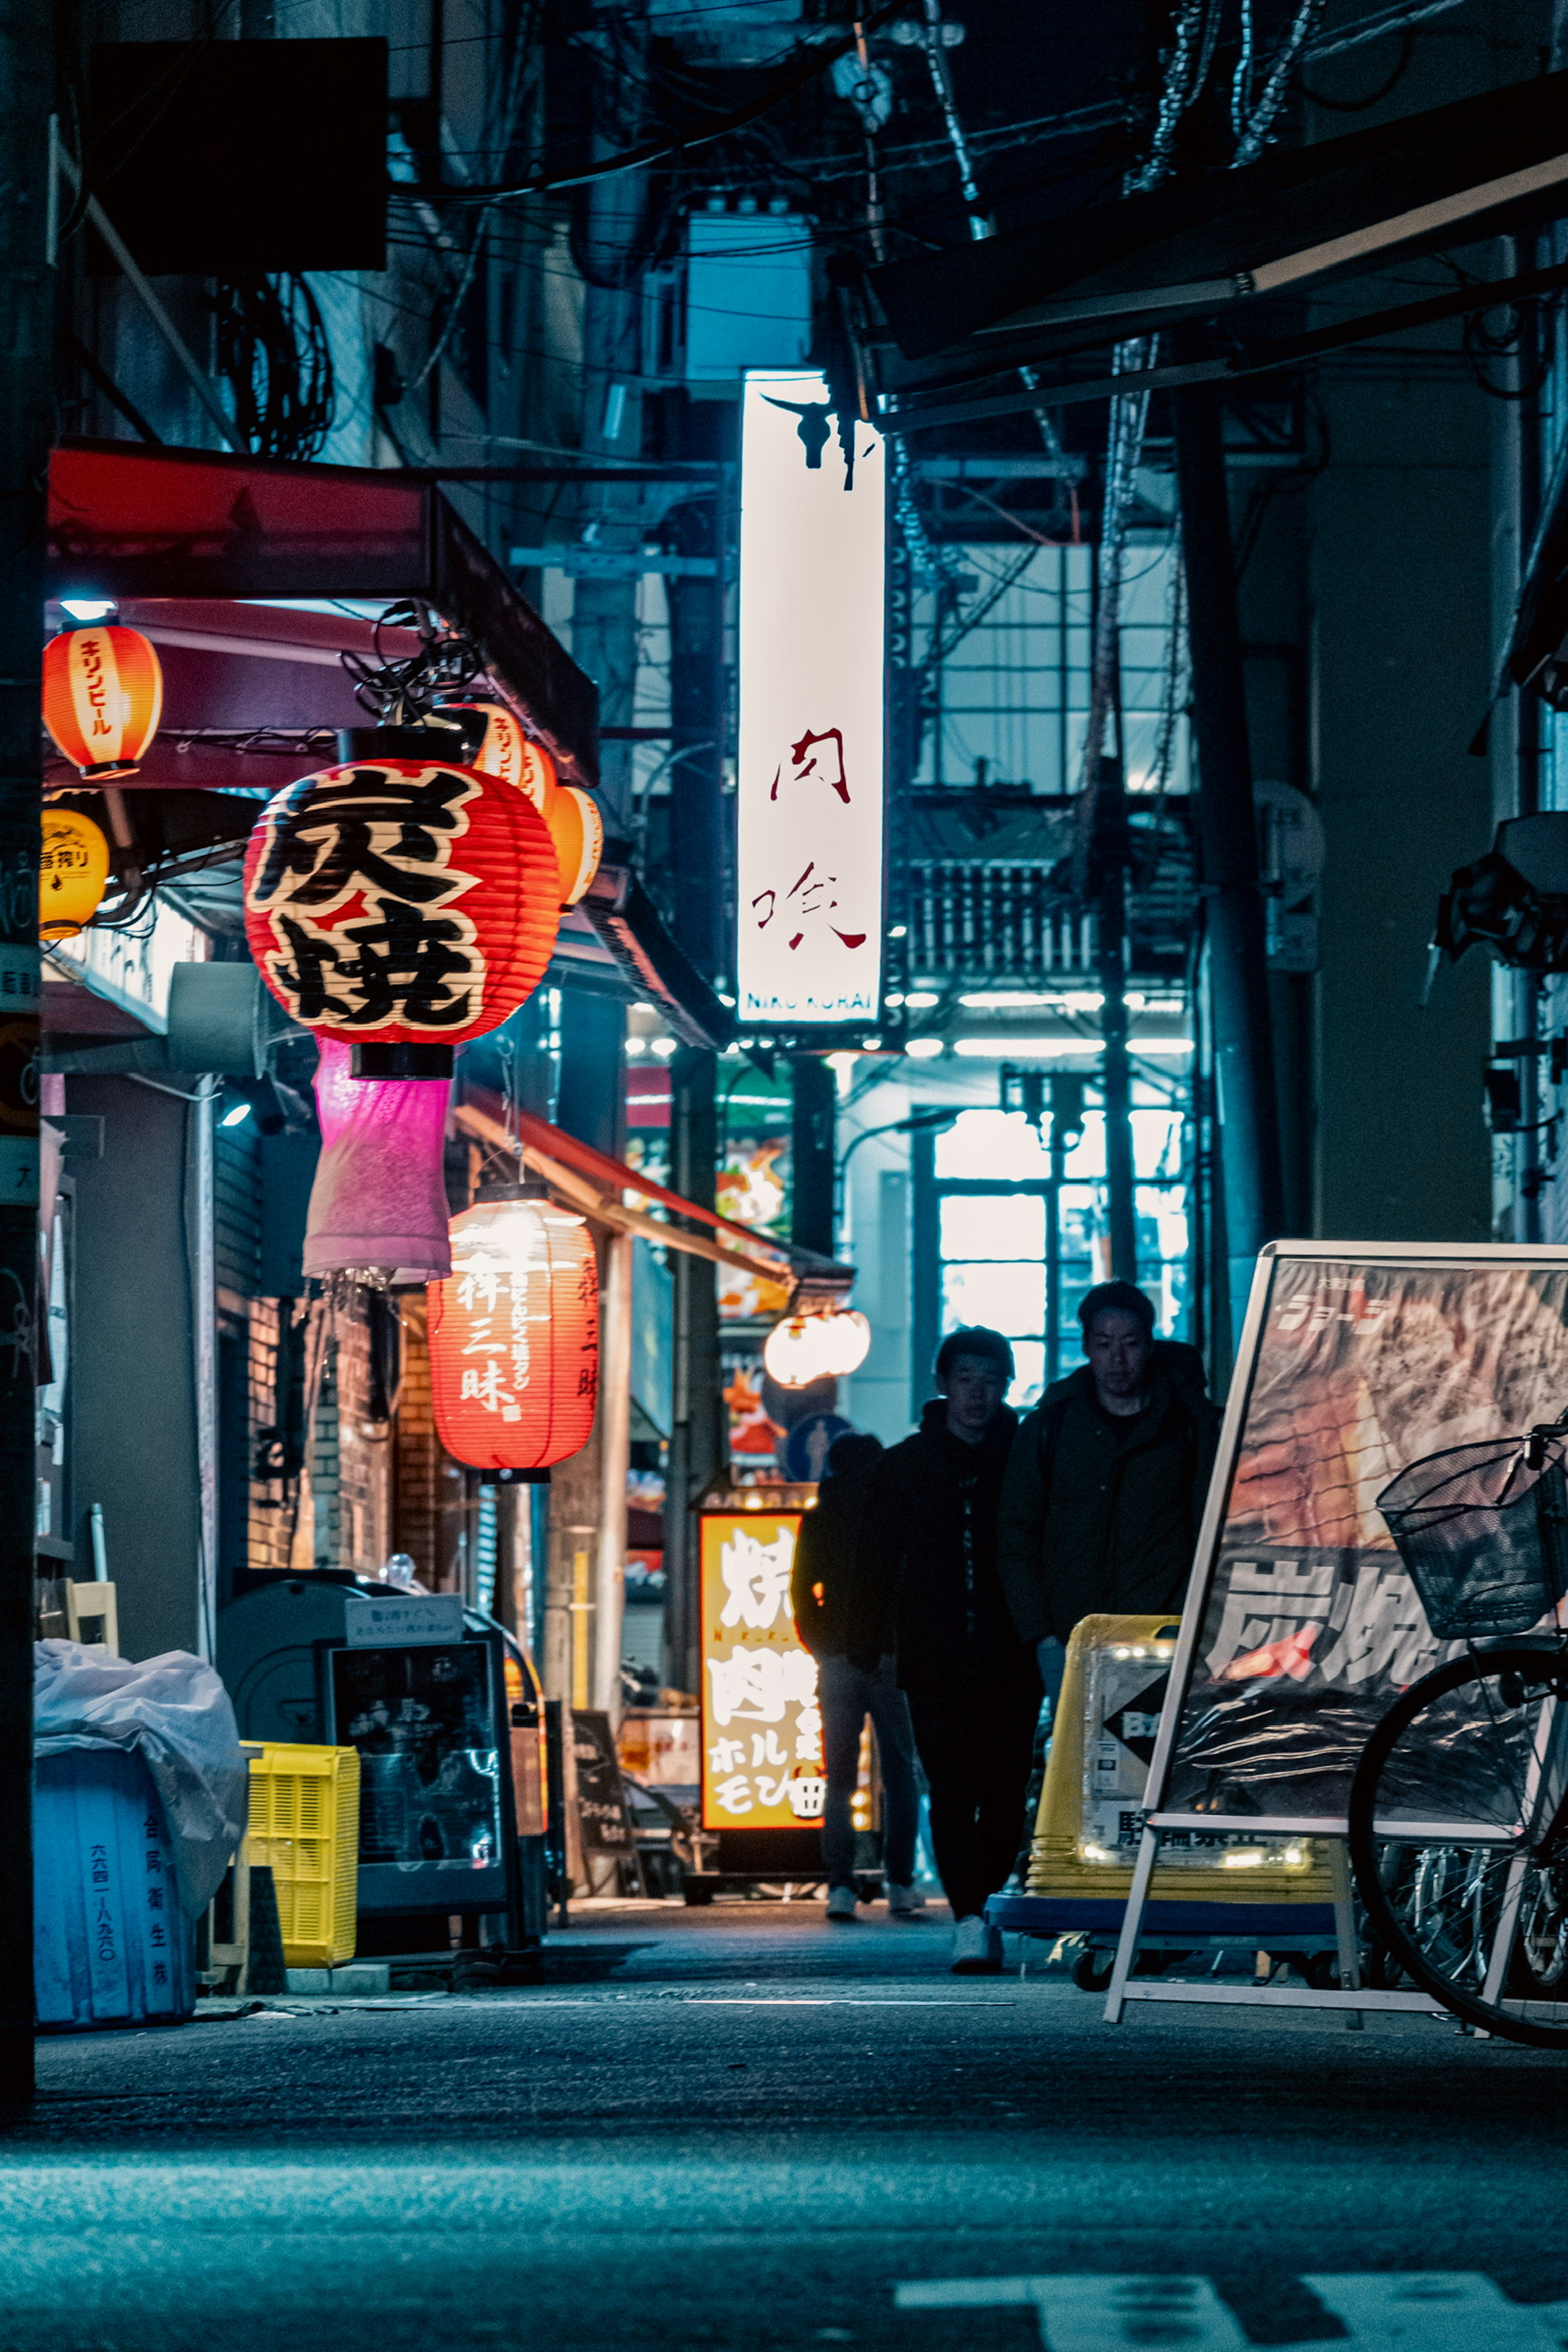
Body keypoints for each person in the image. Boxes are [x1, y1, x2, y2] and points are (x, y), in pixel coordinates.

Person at [847, 1330, 1042, 1974]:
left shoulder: (1024, 1457)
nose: (977, 1393)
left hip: (1011, 1651)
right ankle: (969, 1916)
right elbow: (872, 1558)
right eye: (965, 1378)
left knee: (1008, 1787)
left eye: (990, 1379)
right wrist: (865, 1640)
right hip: (932, 1656)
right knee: (953, 1789)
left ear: (1006, 1386)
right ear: (943, 1384)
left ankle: (985, 1902)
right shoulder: (905, 1465)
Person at [996, 1280, 1220, 1716]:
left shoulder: (1189, 1427)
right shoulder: (1050, 1428)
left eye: (1131, 1344)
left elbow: (1208, 1525)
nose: (1118, 1359)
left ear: (1150, 1346)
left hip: (1165, 1629)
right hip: (1070, 1634)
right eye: (1104, 1344)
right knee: (1080, 1767)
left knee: (1160, 1767)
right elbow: (1016, 1532)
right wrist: (1041, 1631)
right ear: (1086, 1347)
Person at [790, 1430, 924, 1925]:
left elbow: (803, 1589)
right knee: (901, 1775)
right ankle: (901, 1882)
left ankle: (841, 1885)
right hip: (891, 1658)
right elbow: (911, 1584)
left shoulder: (820, 1516)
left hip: (839, 1659)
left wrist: (821, 1643)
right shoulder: (896, 1511)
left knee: (840, 1777)